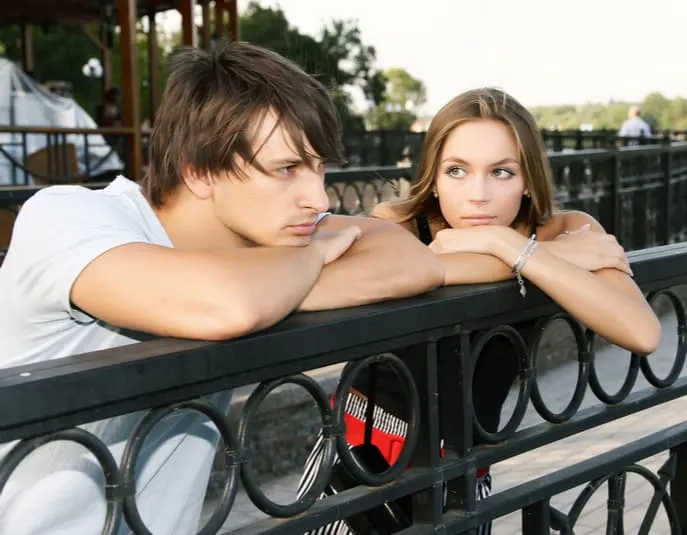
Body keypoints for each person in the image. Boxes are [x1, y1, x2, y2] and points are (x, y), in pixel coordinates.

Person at [0, 42, 444, 535]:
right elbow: (227, 307)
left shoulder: (267, 241)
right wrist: (312, 257)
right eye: (286, 169)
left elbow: (412, 261)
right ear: (199, 170)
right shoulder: (67, 217)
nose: (316, 197)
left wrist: (279, 288)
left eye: (319, 168)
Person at [300, 87, 661, 534]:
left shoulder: (565, 230)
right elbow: (413, 271)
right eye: (456, 170)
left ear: (528, 178)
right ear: (432, 176)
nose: (478, 196)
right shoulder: (397, 223)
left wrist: (505, 244)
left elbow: (641, 332)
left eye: (502, 172)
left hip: (467, 467)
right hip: (363, 449)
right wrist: (541, 260)